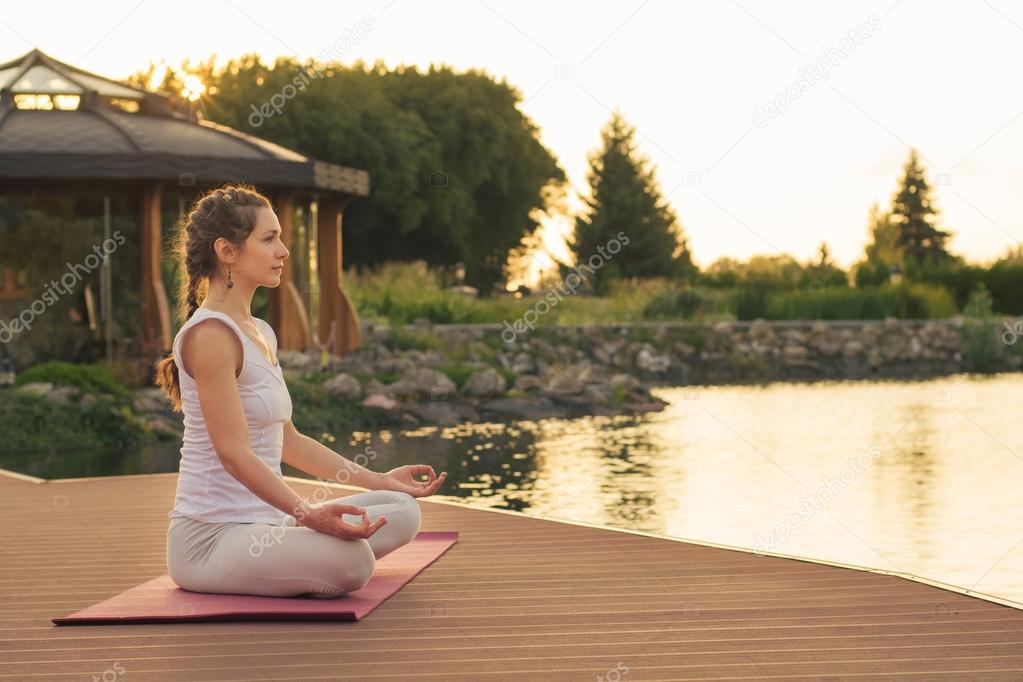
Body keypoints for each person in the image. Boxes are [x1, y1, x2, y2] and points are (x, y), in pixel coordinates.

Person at [154, 183, 447, 598]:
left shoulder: (261, 333)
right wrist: (308, 514)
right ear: (227, 251)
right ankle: (305, 551)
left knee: (402, 509)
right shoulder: (211, 335)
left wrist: (378, 478)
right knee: (353, 562)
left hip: (270, 524)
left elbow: (288, 440)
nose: (284, 250)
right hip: (212, 539)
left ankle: (297, 550)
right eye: (269, 238)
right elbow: (234, 455)